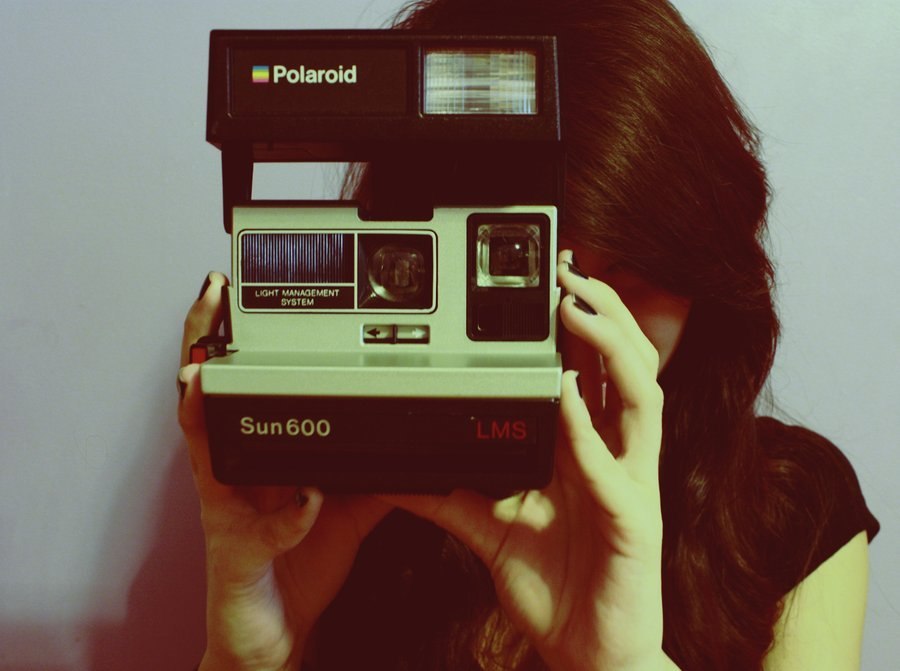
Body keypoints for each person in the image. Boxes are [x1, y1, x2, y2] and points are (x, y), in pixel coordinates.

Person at [177, 1, 880, 669]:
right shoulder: (323, 505)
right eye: (518, 265)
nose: (581, 315)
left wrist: (624, 662)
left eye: (630, 271)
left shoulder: (787, 509)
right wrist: (254, 653)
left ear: (701, 265)